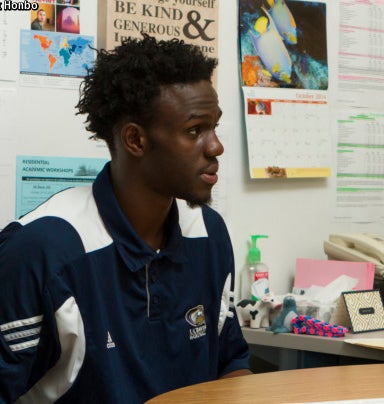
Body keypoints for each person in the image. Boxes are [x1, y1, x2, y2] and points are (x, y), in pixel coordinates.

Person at [0, 34, 251, 402]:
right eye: (195, 130)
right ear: (135, 140)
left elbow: (231, 363)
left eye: (214, 127)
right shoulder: (44, 248)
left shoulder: (208, 232)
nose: (216, 147)